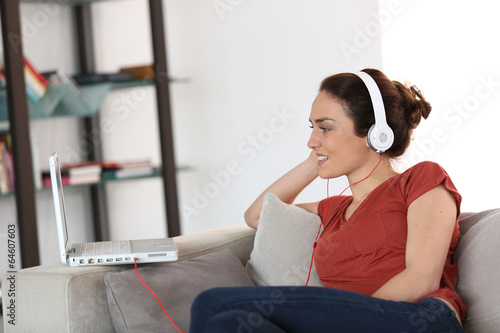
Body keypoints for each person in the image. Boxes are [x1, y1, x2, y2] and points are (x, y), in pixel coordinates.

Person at [189, 68, 465, 333]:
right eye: (312, 128)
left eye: (325, 128)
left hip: (420, 318)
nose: (311, 140)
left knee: (212, 304)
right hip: (353, 322)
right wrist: (315, 160)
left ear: (375, 133)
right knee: (226, 324)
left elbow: (421, 280)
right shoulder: (334, 210)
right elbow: (258, 215)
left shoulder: (421, 179)